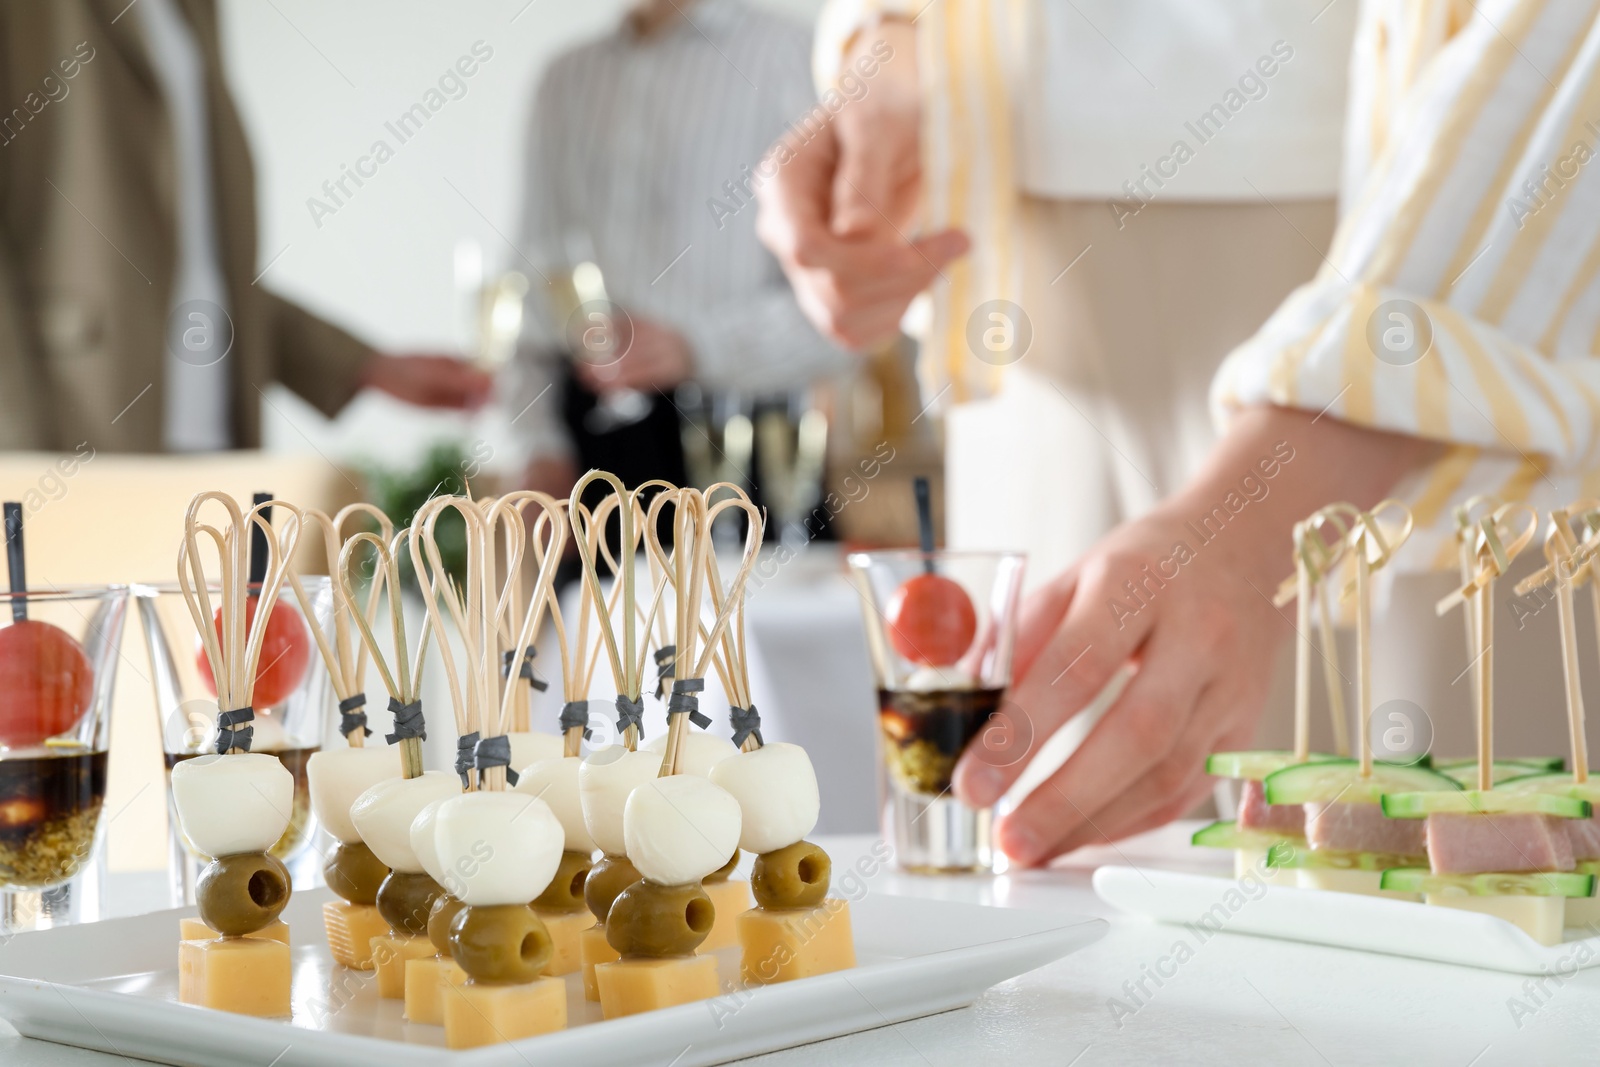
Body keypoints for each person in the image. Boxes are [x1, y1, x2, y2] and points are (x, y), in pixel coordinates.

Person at [761, 0, 1600, 865]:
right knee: (1059, 923)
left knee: (1433, 907)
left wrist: (1279, 502)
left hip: (1443, 273)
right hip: (1016, 285)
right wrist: (890, 49)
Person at [0, 0, 490, 454]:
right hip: (71, 441)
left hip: (210, 437)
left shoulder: (194, 9)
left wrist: (361, 365)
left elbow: (193, 268)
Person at [504, 0, 848, 502]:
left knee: (753, 584)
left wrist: (699, 346)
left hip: (748, 441)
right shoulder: (565, 80)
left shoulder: (793, 56)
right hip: (586, 450)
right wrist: (537, 441)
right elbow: (532, 279)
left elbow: (849, 305)